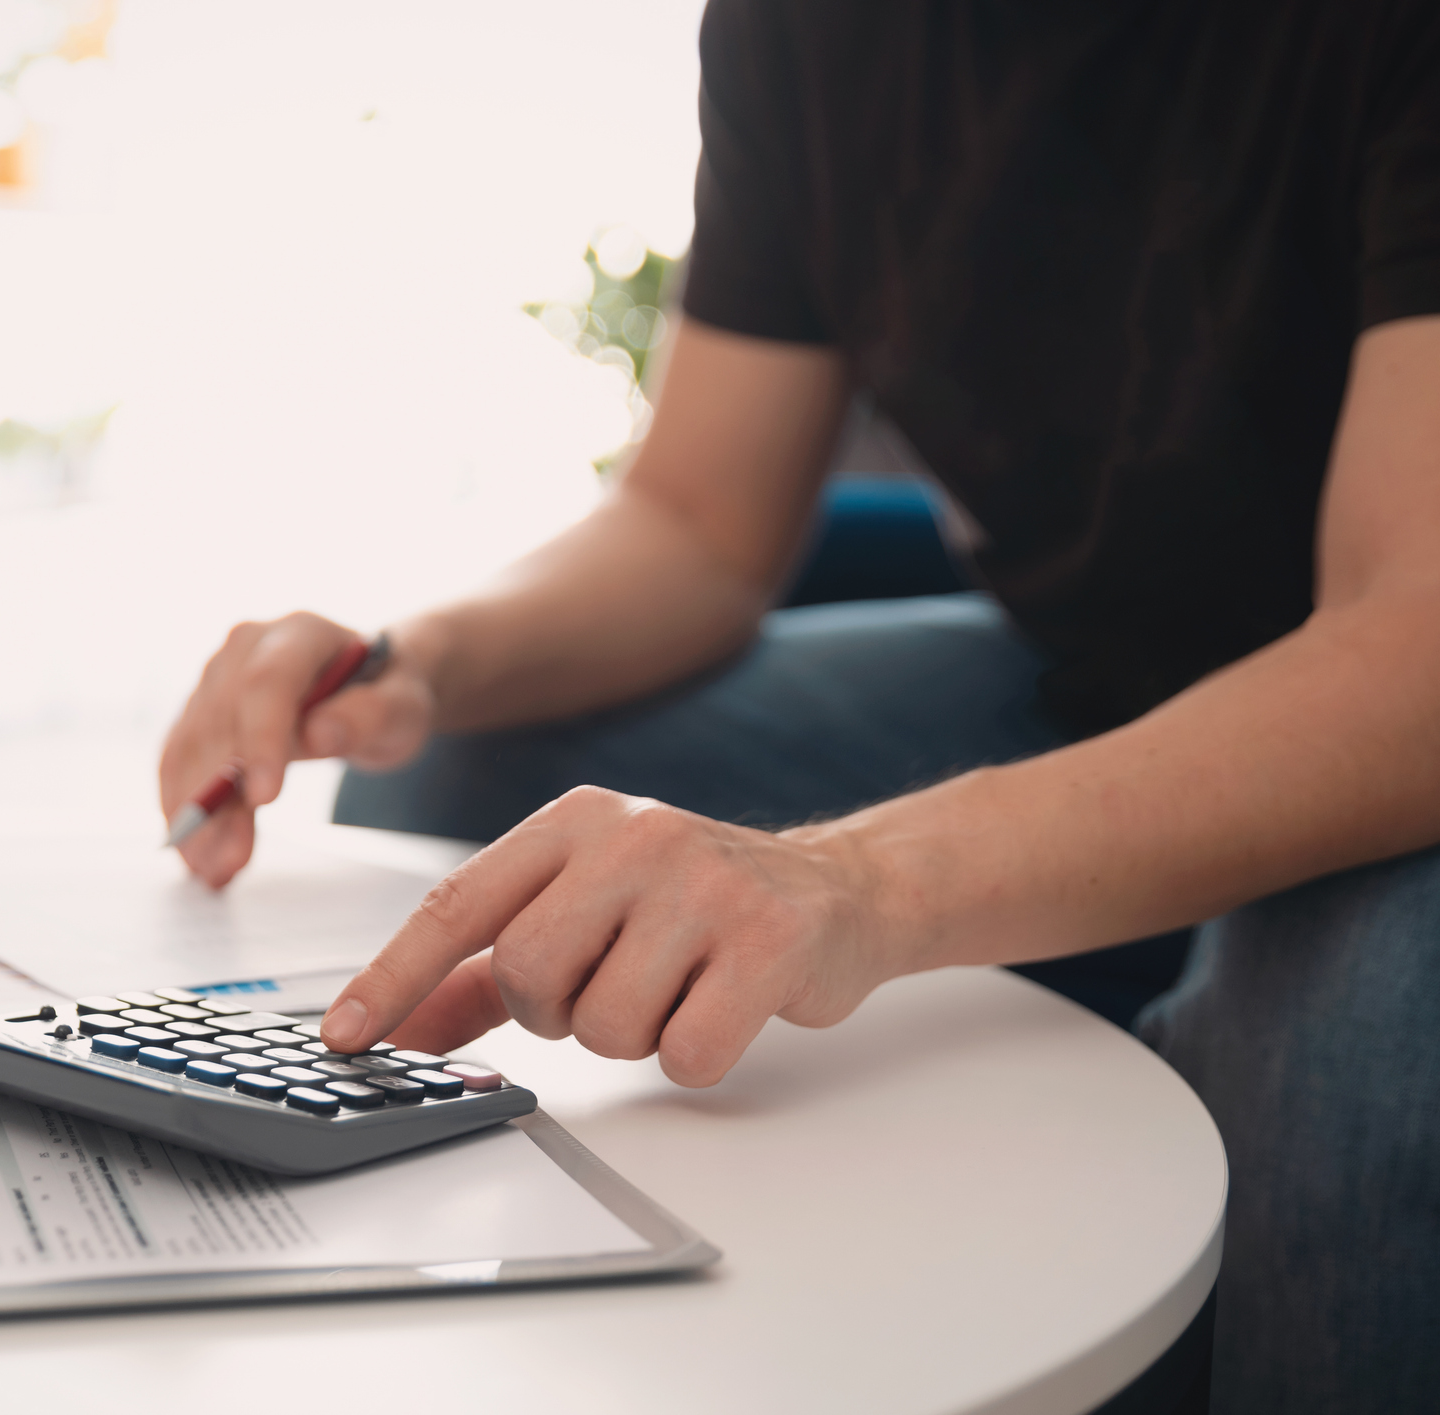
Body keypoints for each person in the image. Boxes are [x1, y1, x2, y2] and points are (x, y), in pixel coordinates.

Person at [158, 2, 1440, 1408]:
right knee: (472, 772)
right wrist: (418, 662)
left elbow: (1409, 650)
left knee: (1368, 1056)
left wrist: (856, 879)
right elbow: (701, 521)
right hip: (1084, 666)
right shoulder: (801, 28)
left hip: (1384, 696)